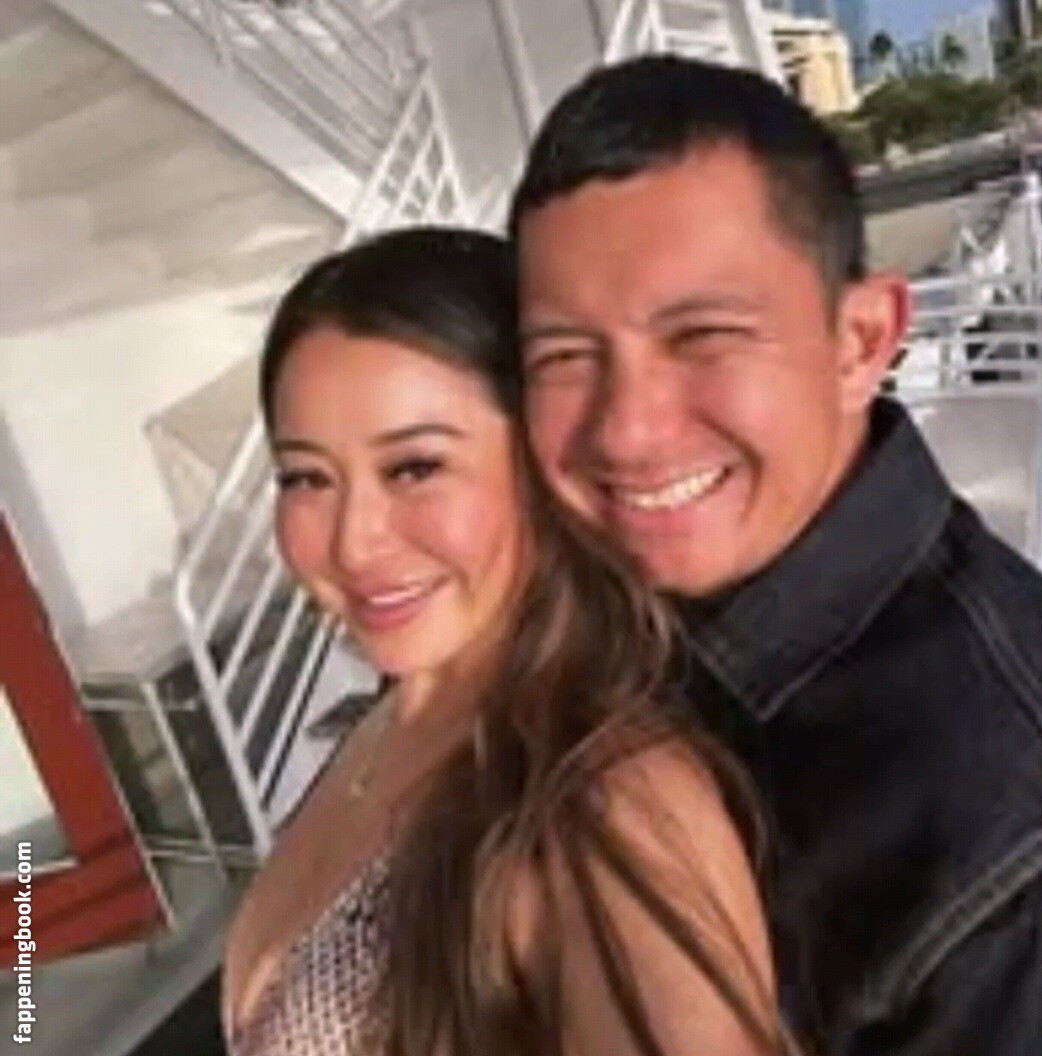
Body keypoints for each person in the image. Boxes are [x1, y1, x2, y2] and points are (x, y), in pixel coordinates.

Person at [510, 56, 1042, 1056]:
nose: (626, 431)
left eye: (704, 335)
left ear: (862, 341)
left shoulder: (1020, 836)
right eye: (563, 356)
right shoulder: (598, 610)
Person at [222, 227, 796, 1056]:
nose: (352, 543)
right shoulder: (380, 724)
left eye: (415, 468)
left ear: (544, 467)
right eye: (307, 478)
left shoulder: (606, 803)